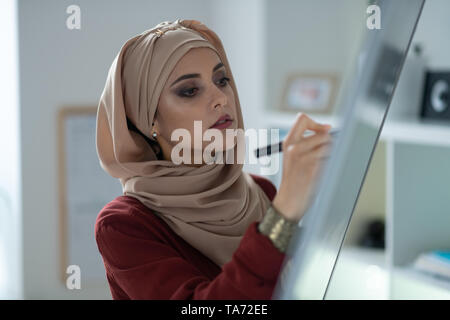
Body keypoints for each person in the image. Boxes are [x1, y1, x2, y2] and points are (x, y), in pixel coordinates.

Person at [94, 19, 332, 300]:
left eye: (222, 80)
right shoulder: (124, 226)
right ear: (149, 120)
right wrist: (284, 214)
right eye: (189, 90)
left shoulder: (259, 191)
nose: (221, 97)